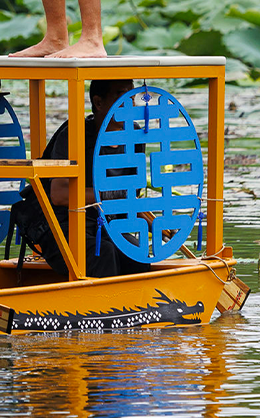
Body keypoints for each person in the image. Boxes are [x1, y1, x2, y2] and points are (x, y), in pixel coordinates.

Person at [11, 77, 158, 277]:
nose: (130, 101)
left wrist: (157, 226)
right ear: (98, 103)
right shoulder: (74, 134)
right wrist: (109, 195)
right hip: (61, 223)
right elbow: (59, 195)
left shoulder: (135, 135)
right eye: (120, 94)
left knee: (136, 253)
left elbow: (129, 195)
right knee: (103, 254)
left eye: (131, 95)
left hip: (105, 222)